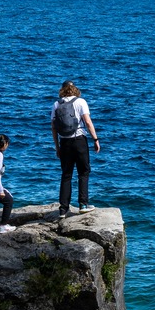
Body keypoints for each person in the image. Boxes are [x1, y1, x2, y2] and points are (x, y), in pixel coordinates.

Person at [50, 81, 101, 218]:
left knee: (66, 174)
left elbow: (54, 128)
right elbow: (88, 122)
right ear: (74, 89)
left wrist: (57, 147)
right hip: (79, 141)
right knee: (83, 172)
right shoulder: (81, 102)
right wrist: (95, 139)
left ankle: (63, 209)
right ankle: (83, 205)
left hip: (64, 142)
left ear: (62, 89)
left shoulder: (56, 104)